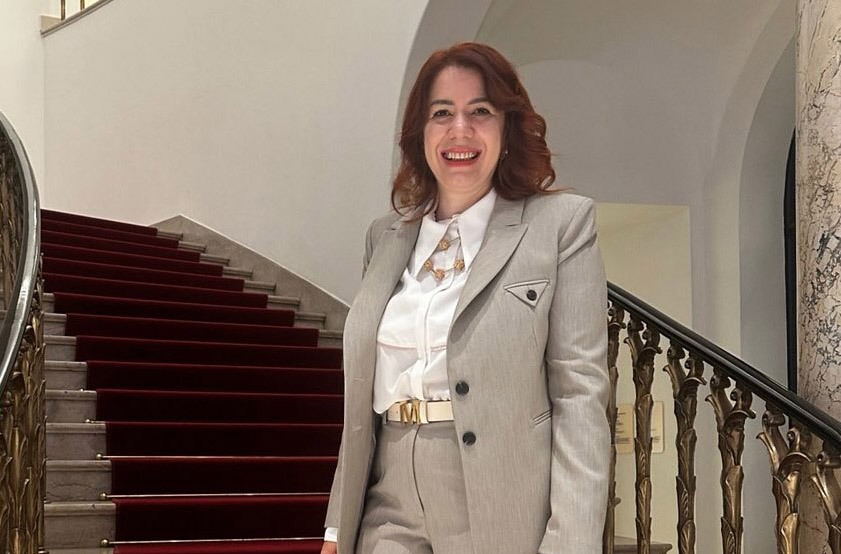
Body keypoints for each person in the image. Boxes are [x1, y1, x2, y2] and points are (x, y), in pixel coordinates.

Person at [321, 42, 610, 554]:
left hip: (500, 503)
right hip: (389, 499)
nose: (460, 130)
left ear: (507, 127)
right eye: (441, 113)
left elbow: (579, 397)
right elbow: (360, 398)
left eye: (480, 111)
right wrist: (336, 529)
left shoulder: (560, 226)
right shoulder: (384, 236)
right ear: (420, 133)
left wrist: (570, 544)